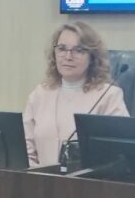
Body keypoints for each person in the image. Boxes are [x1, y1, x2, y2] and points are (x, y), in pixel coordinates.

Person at [23, 21, 128, 167]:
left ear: (92, 57)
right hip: (40, 179)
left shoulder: (109, 96)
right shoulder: (40, 94)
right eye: (62, 49)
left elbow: (119, 153)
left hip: (87, 180)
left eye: (78, 50)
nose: (68, 56)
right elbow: (25, 150)